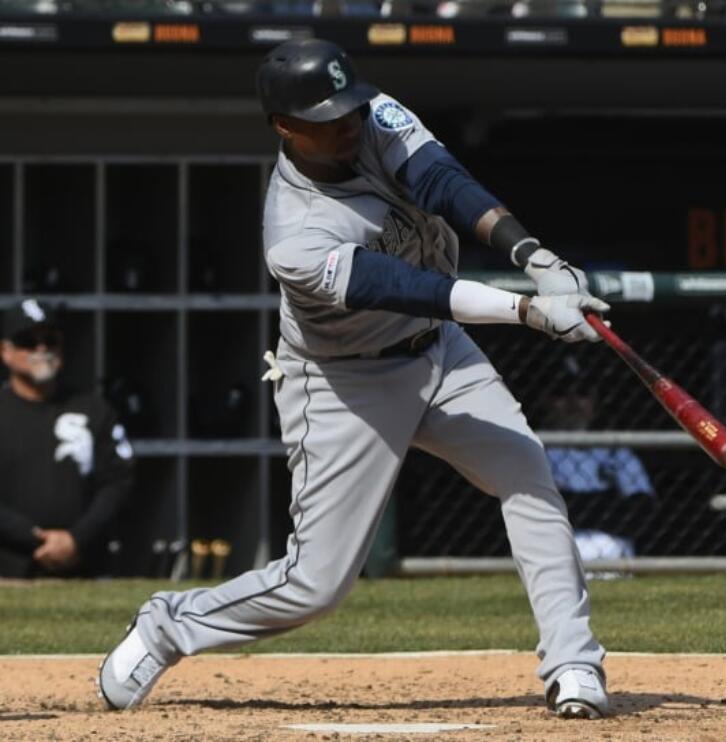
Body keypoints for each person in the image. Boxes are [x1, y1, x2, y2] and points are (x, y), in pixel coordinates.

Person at [98, 38, 612, 719]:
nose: (348, 125)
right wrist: (526, 308)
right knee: (317, 586)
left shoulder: (371, 115)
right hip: (344, 384)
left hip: (441, 354)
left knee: (527, 474)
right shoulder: (294, 235)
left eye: (350, 108)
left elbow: (444, 181)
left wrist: (531, 252)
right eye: (327, 118)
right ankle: (168, 625)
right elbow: (411, 287)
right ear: (285, 127)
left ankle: (573, 666)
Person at [0, 300, 135, 578]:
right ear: (6, 351)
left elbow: (118, 481)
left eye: (50, 340)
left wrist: (76, 538)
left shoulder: (95, 409)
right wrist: (32, 537)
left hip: (83, 564)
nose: (42, 350)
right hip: (8, 565)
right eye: (27, 341)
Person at [542, 355, 655, 571]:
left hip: (614, 559)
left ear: (595, 401)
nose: (573, 402)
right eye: (560, 393)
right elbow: (540, 516)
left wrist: (572, 504)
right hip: (555, 560)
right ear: (544, 399)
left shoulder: (614, 450)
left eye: (583, 393)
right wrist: (608, 502)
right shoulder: (533, 448)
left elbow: (642, 512)